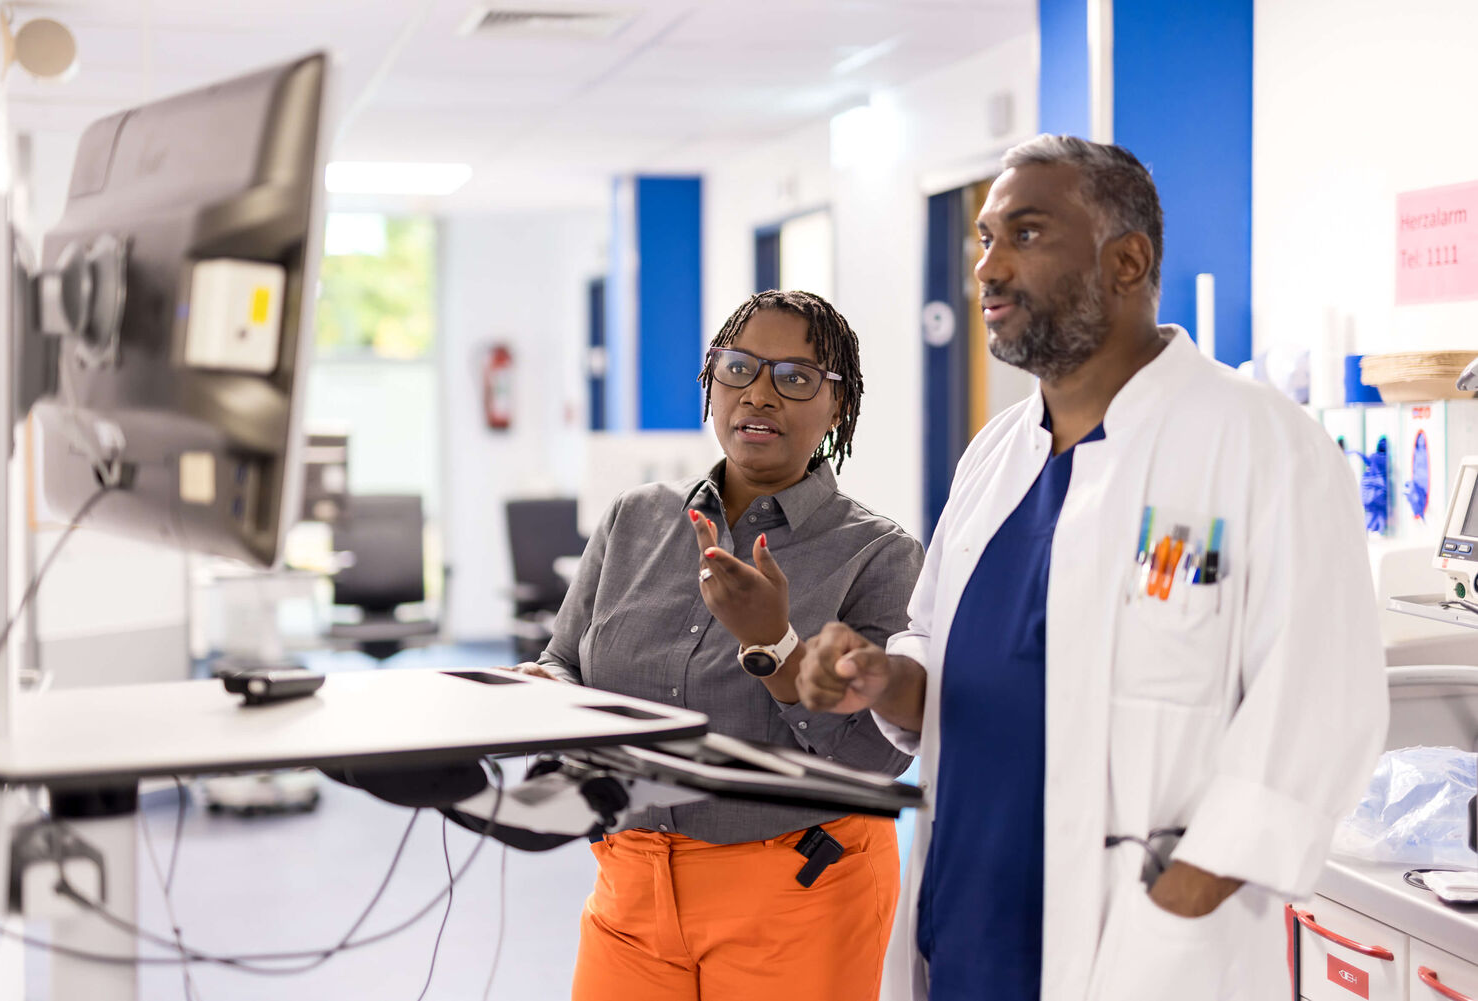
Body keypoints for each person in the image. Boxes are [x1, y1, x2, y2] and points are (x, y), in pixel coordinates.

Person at [797, 135, 1389, 1001]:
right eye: (984, 240)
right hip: (964, 938)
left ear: (1128, 260)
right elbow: (938, 656)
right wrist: (881, 677)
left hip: (1143, 955)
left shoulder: (1261, 445)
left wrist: (1184, 902)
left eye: (1025, 234)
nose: (989, 268)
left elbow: (1320, 707)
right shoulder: (994, 457)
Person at [523, 289, 924, 1001]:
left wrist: (775, 643)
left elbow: (876, 757)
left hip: (799, 889)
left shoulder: (877, 553)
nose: (760, 394)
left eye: (796, 378)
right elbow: (564, 659)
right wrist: (548, 699)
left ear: (838, 406)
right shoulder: (635, 518)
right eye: (739, 368)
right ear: (711, 382)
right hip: (630, 883)